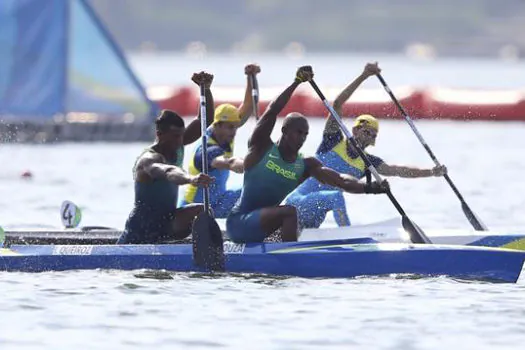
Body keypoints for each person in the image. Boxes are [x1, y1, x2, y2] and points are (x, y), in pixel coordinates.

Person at [226, 66, 389, 243]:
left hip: (263, 227)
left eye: (305, 134)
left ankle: (279, 253)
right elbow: (273, 110)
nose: (302, 138)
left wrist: (371, 188)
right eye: (298, 132)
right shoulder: (261, 146)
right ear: (284, 130)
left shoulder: (305, 165)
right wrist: (296, 82)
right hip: (239, 224)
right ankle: (291, 260)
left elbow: (341, 181)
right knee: (290, 212)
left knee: (296, 221)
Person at [285, 62, 447, 229]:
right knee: (336, 197)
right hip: (297, 203)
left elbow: (399, 170)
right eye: (365, 131)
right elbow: (338, 104)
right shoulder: (332, 141)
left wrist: (432, 172)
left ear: (373, 141)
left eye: (372, 135)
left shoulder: (368, 163)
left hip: (316, 215)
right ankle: (348, 237)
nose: (368, 136)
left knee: (331, 200)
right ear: (355, 130)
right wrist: (364, 75)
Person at [117, 72, 216, 244]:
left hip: (167, 222)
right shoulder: (148, 159)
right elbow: (169, 171)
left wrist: (205, 89)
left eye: (181, 135)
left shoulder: (177, 142)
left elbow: (205, 120)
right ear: (159, 134)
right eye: (174, 136)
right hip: (141, 230)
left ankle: (201, 250)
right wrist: (191, 179)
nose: (180, 141)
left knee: (204, 211)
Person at [181, 64, 261, 218]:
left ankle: (260, 227)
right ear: (217, 125)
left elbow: (249, 106)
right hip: (194, 209)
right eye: (230, 128)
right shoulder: (206, 149)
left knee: (258, 189)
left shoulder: (225, 134)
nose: (234, 132)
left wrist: (251, 78)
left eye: (236, 127)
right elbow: (229, 163)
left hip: (218, 201)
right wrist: (252, 165)